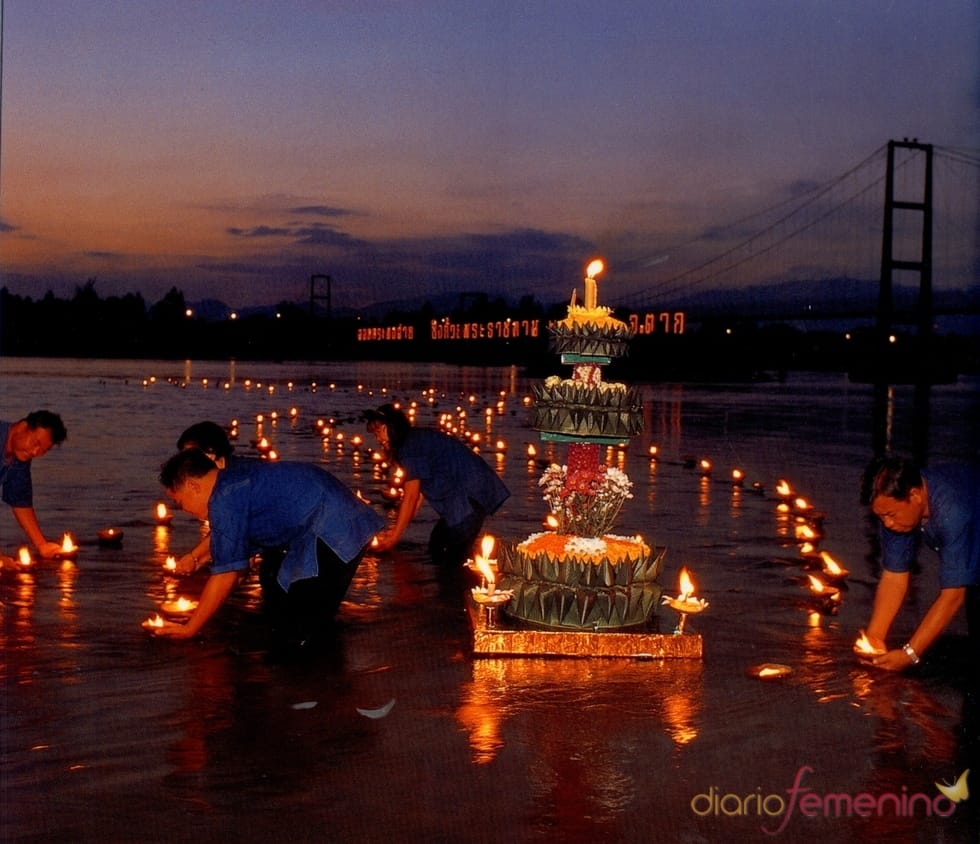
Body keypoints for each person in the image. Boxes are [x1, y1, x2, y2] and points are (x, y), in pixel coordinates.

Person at [151, 448, 384, 647]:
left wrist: (189, 629)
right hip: (336, 521)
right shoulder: (232, 480)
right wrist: (196, 557)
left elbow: (227, 574)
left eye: (180, 502)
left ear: (192, 485)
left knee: (301, 631)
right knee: (293, 611)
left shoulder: (225, 498)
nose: (185, 510)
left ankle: (317, 677)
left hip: (334, 530)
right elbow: (226, 536)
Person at [856, 454, 980, 671]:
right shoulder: (899, 510)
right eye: (881, 517)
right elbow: (894, 577)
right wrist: (874, 639)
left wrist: (910, 654)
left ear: (915, 495)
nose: (887, 524)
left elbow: (953, 595)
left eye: (890, 515)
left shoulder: (953, 511)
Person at [365, 403, 510, 566]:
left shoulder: (410, 448)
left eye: (380, 431)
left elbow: (411, 496)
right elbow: (417, 496)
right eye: (375, 434)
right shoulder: (415, 440)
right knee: (438, 543)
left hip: (468, 498)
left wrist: (393, 538)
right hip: (471, 494)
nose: (378, 439)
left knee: (450, 558)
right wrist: (396, 530)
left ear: (392, 426)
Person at [172, 421, 238, 575]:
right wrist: (195, 557)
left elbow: (230, 533)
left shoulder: (234, 483)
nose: (184, 464)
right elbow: (224, 529)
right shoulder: (225, 476)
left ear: (211, 453)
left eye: (190, 456)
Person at [1, 410, 68, 558]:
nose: (35, 452)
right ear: (22, 427)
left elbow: (20, 501)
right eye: (36, 443)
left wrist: (42, 545)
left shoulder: (20, 457)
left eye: (42, 451)